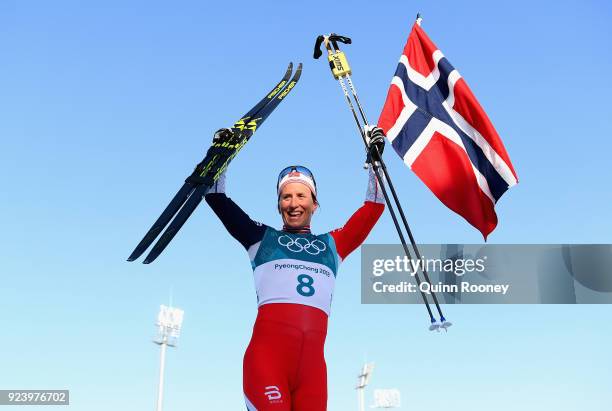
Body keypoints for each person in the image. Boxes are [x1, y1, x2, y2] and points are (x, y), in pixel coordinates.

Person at [205, 127, 386, 411]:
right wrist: (220, 156)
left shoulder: (332, 246)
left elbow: (373, 208)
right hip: (267, 363)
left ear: (314, 204)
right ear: (278, 205)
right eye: (286, 197)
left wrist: (376, 163)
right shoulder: (261, 239)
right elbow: (217, 197)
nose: (293, 203)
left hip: (312, 372)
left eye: (301, 196)